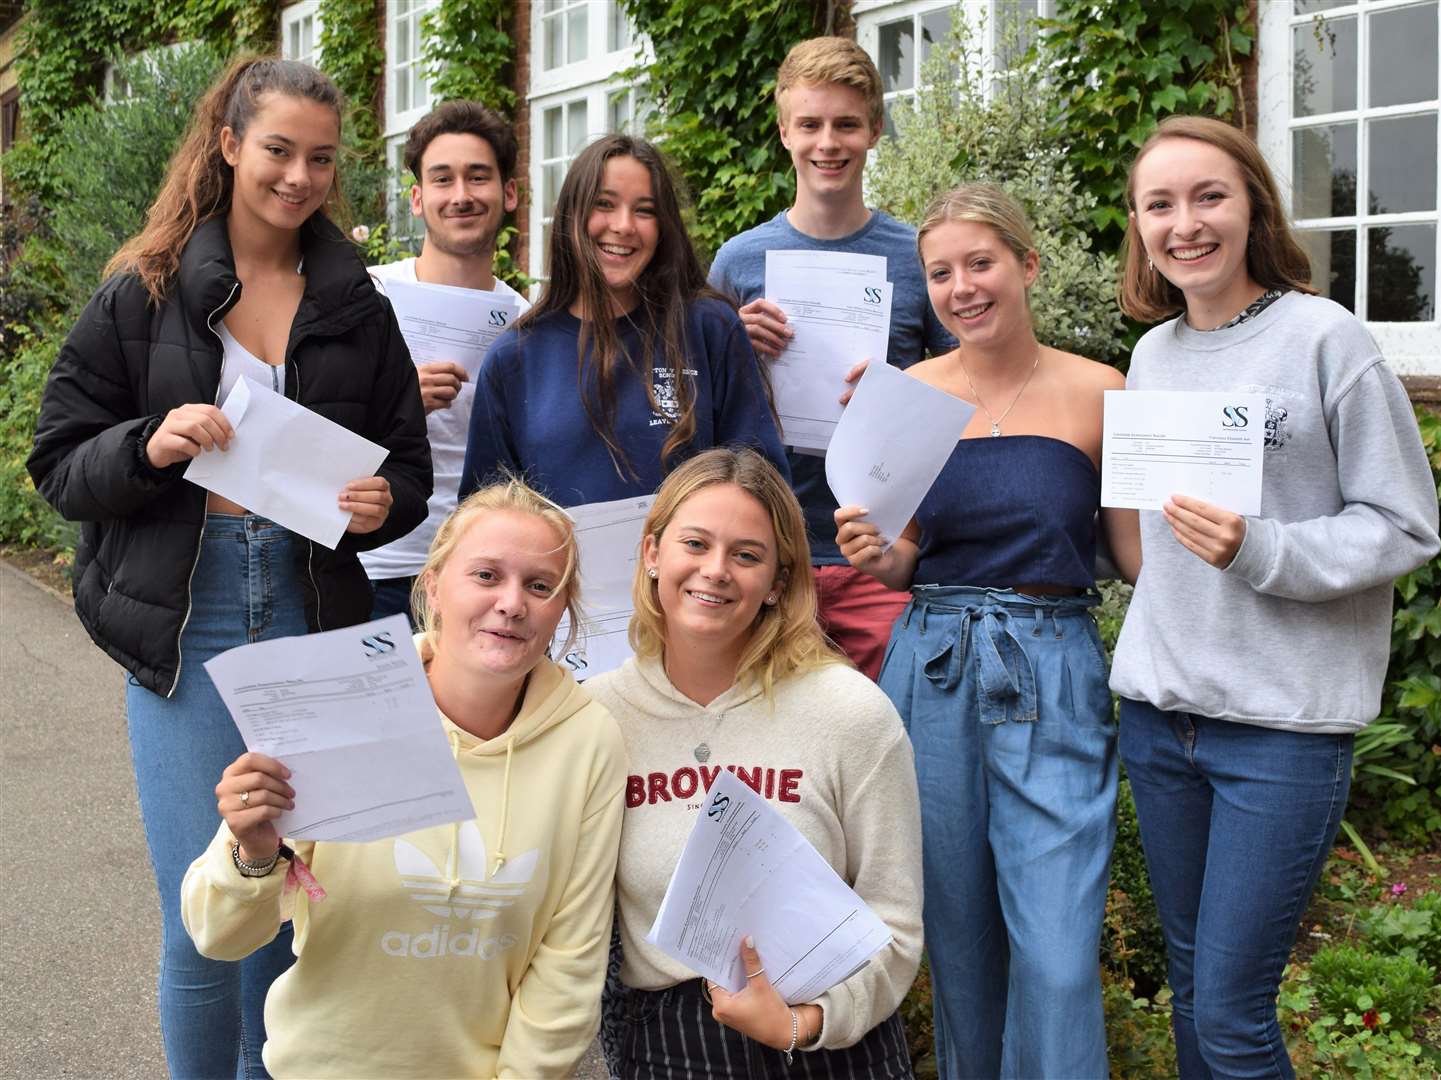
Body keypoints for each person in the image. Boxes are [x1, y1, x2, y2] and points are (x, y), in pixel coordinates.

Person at [26, 57, 430, 1079]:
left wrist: (385, 505)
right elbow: (59, 464)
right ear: (231, 145)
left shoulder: (356, 303)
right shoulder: (144, 292)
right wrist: (153, 443)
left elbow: (408, 469)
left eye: (321, 159)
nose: (298, 177)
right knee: (205, 914)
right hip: (189, 616)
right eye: (279, 151)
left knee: (294, 907)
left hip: (311, 609)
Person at [1111, 116, 1440, 1079]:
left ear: (1252, 202)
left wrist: (1261, 549)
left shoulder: (1325, 338)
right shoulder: (1152, 356)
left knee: (1230, 1014)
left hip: (1280, 731)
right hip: (1160, 721)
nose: (1185, 223)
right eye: (1159, 204)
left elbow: (1403, 525)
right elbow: (1149, 548)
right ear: (1138, 226)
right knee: (1188, 987)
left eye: (1208, 196)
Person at [834, 182, 1134, 1078]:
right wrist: (870, 550)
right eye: (940, 273)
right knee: (958, 938)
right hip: (931, 666)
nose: (962, 286)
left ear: (1026, 265)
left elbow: (1131, 558)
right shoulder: (907, 394)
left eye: (980, 263)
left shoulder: (1101, 390)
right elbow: (903, 558)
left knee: (1055, 951)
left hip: (1053, 667)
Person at [181, 476, 628, 1078]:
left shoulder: (589, 740)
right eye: (487, 575)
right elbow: (219, 935)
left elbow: (569, 960)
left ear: (562, 610)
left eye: (540, 586)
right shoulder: (336, 703)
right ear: (433, 584)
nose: (512, 602)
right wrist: (254, 852)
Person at [587, 448, 922, 1078]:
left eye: (746, 555)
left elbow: (895, 921)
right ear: (652, 553)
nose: (716, 571)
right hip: (669, 1042)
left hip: (830, 1042)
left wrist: (803, 1025)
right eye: (695, 544)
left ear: (777, 582)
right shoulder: (596, 718)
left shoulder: (851, 713)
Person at [708, 36, 954, 680]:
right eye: (811, 124)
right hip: (765, 553)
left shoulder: (916, 257)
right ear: (785, 132)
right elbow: (699, 406)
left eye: (847, 124)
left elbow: (964, 393)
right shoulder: (737, 261)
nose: (828, 143)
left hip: (881, 550)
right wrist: (733, 348)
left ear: (875, 129)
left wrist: (900, 391)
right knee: (770, 750)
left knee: (886, 740)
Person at [460, 134, 787, 507]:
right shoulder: (514, 357)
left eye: (645, 210)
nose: (624, 225)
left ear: (663, 227)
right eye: (604, 204)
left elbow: (763, 482)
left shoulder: (709, 328)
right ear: (572, 215)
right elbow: (482, 512)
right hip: (563, 567)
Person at [362, 99, 532, 623]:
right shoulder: (367, 295)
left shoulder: (526, 322)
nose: (461, 195)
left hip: (482, 574)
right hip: (377, 565)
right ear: (417, 198)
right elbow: (306, 419)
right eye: (442, 179)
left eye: (477, 177)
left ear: (509, 194)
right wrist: (396, 400)